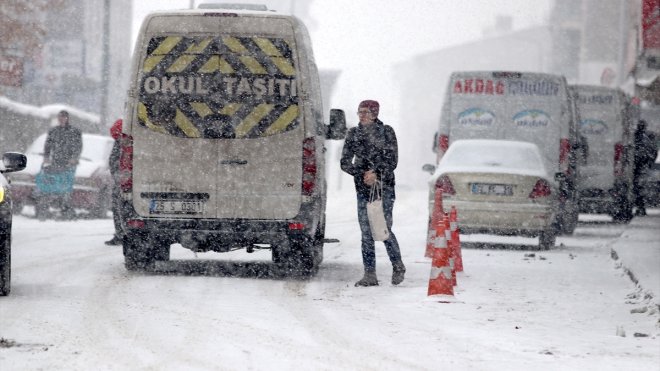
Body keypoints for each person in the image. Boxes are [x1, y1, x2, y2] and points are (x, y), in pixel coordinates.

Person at [340, 100, 406, 287]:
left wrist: (376, 172)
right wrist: (361, 174)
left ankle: (397, 264)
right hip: (362, 189)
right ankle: (370, 273)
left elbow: (392, 160)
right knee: (365, 231)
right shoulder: (353, 133)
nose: (362, 115)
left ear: (375, 113)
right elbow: (345, 162)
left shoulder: (387, 132)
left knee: (383, 227)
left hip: (384, 187)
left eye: (366, 112)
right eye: (360, 111)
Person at [39, 110, 82, 219]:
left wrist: (74, 158)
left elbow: (78, 146)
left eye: (63, 117)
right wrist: (46, 157)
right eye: (59, 117)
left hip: (69, 164)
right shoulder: (54, 131)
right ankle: (51, 206)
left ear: (67, 118)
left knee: (66, 185)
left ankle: (65, 208)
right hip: (56, 161)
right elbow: (47, 145)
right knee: (54, 184)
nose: (61, 119)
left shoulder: (74, 131)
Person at [105, 119, 124, 245]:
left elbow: (115, 161)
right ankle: (121, 233)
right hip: (123, 179)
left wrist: (118, 176)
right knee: (119, 207)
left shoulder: (123, 143)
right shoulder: (121, 142)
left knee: (118, 207)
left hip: (123, 181)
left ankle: (120, 234)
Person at [633, 120, 658, 216]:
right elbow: (653, 152)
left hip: (637, 166)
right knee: (639, 188)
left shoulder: (637, 137)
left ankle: (640, 207)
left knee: (637, 188)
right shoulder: (646, 138)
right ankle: (641, 207)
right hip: (641, 166)